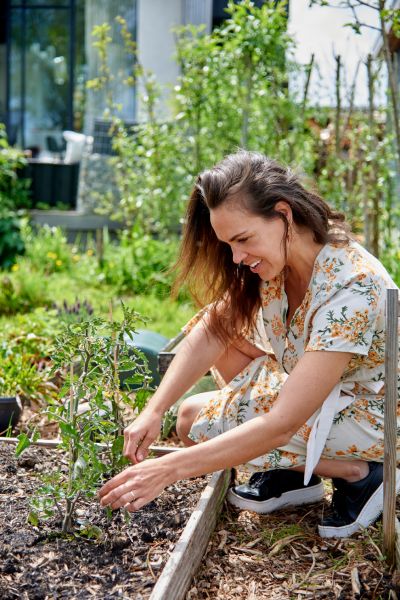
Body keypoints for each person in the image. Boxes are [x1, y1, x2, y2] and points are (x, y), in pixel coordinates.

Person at [99, 150, 400, 538]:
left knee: (195, 425)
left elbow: (282, 423)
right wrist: (154, 410)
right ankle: (296, 477)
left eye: (243, 239)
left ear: (283, 214)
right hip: (318, 396)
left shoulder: (351, 287)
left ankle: (361, 474)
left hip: (373, 416)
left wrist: (169, 468)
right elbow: (213, 328)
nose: (237, 257)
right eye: (228, 244)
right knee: (188, 415)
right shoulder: (279, 261)